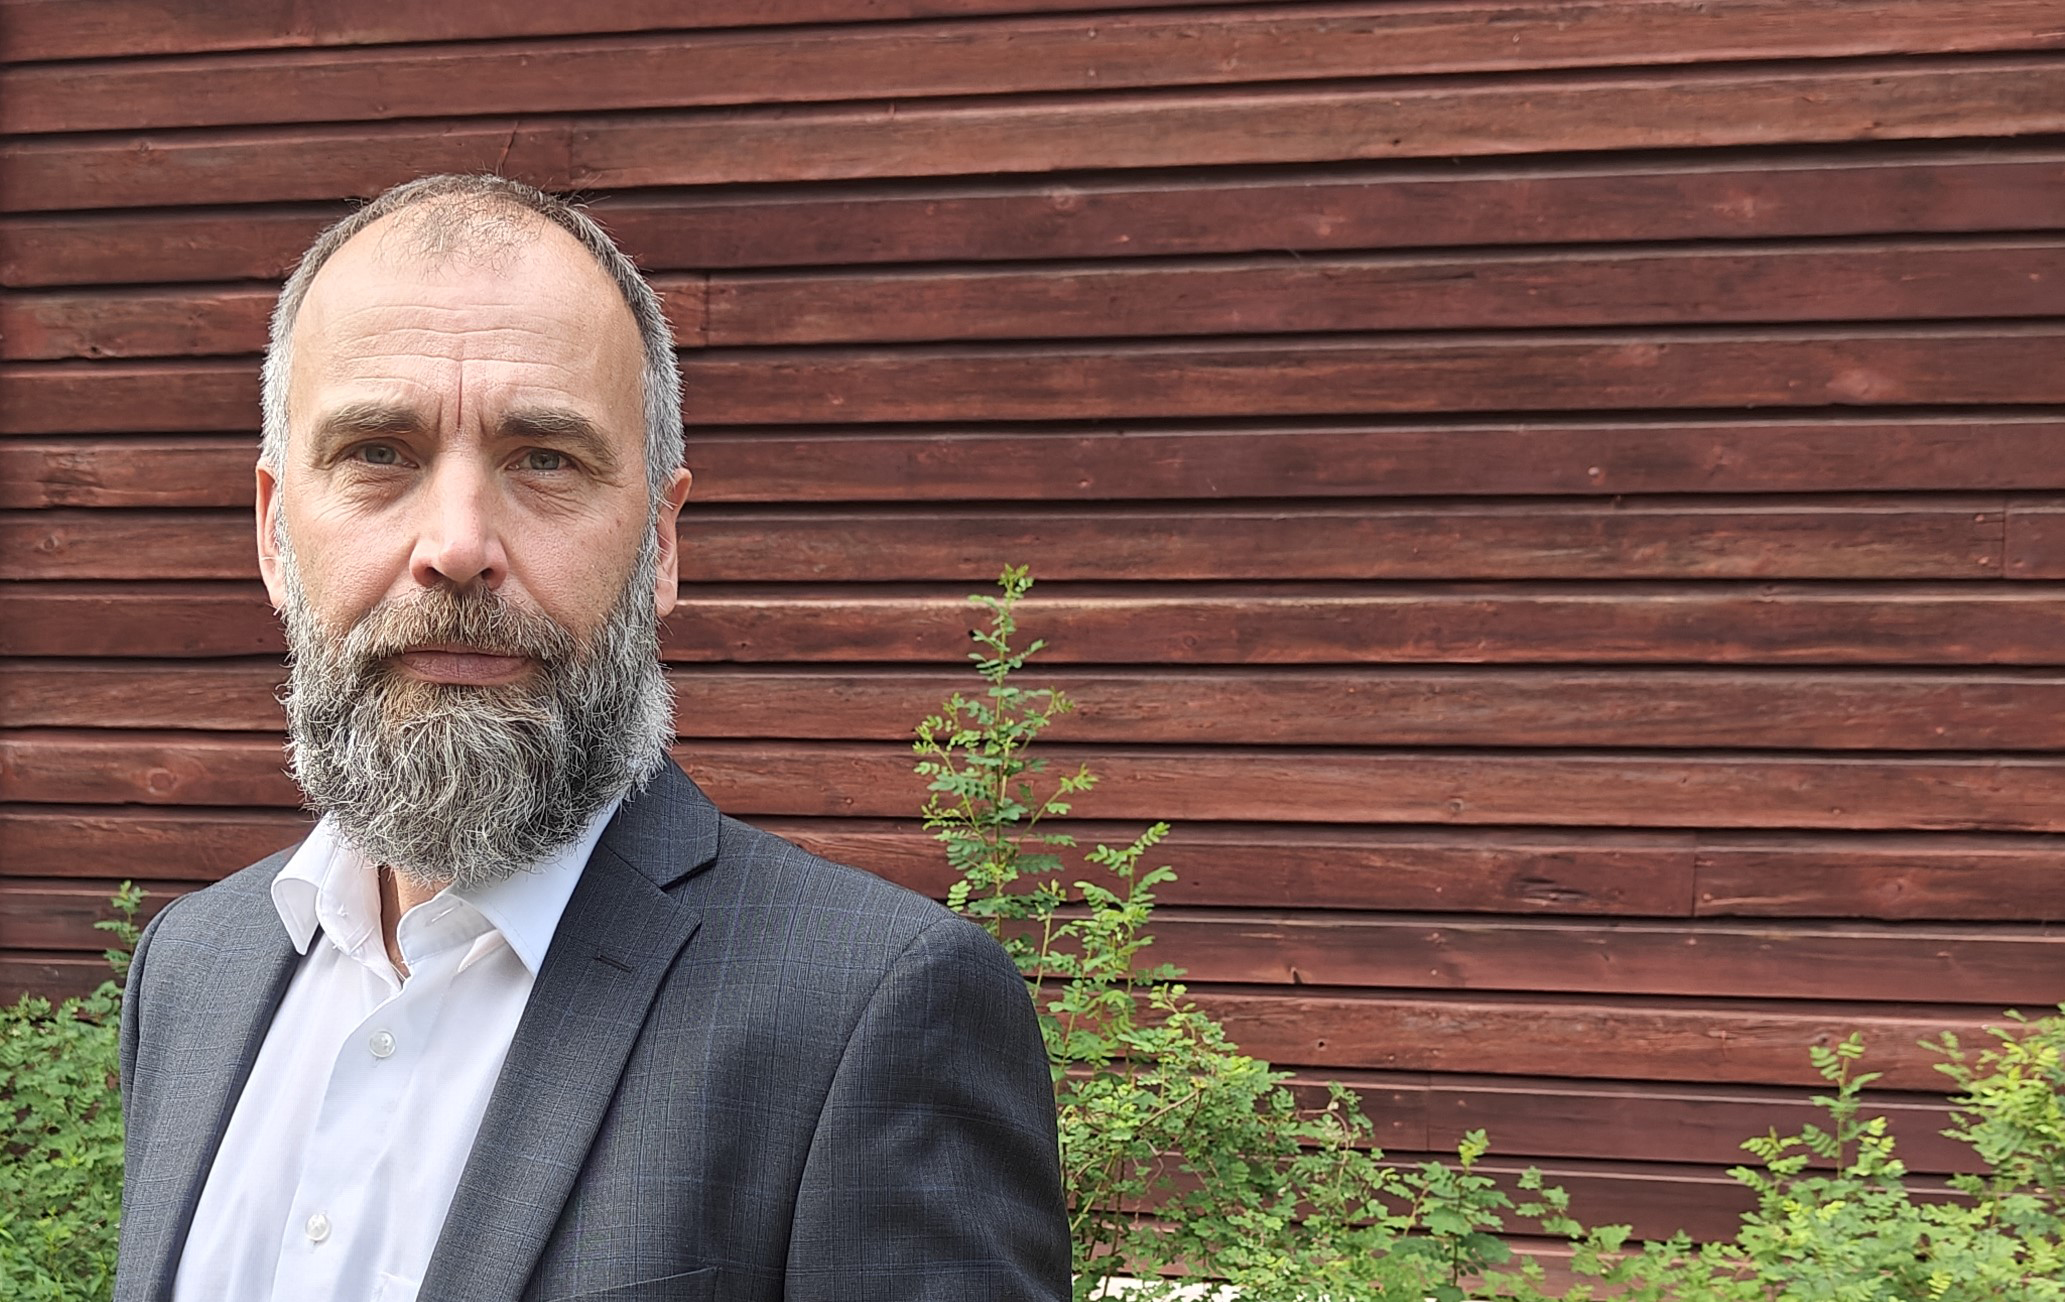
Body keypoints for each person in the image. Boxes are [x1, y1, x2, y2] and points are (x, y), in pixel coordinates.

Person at [113, 173, 1070, 1302]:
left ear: (659, 543)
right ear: (276, 532)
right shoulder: (194, 968)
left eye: (545, 459)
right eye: (377, 451)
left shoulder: (872, 1009)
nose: (457, 546)